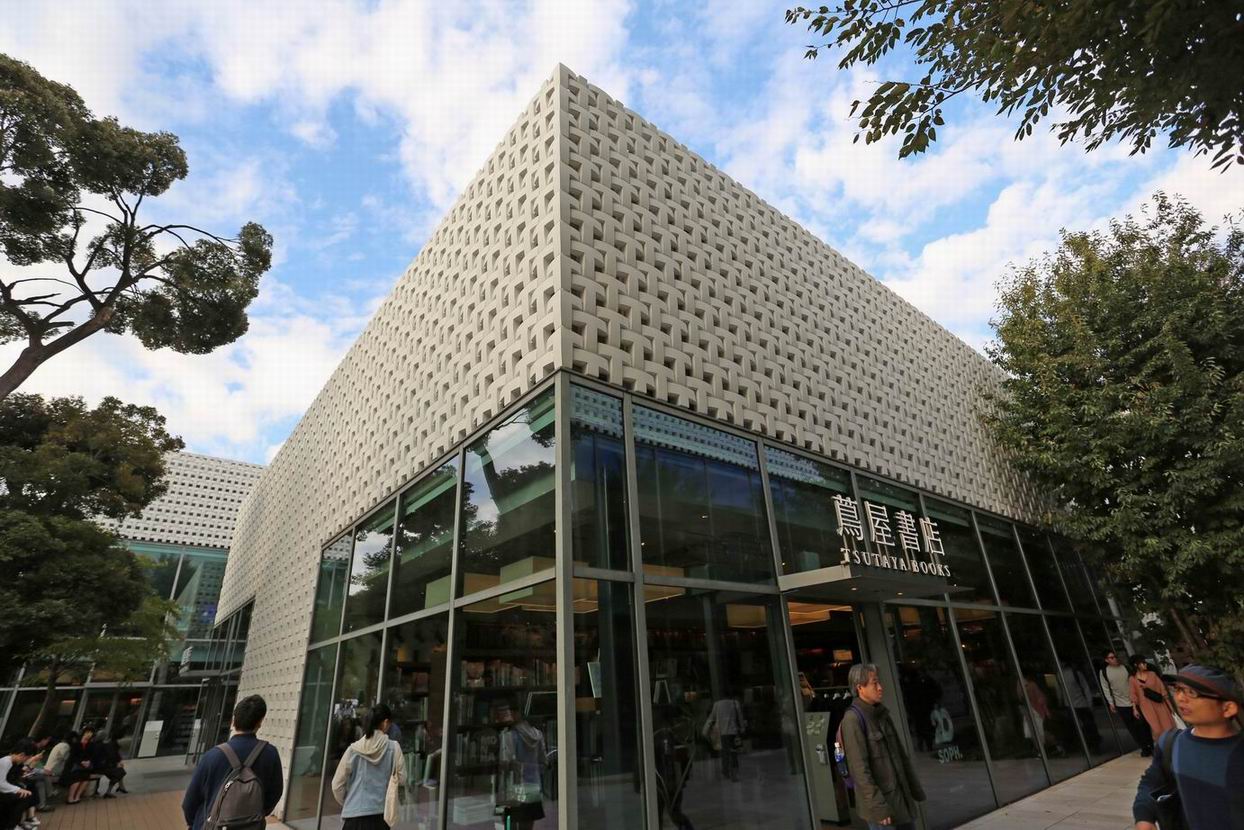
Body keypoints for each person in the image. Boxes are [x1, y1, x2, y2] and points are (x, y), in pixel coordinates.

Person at [1133, 664, 1244, 830]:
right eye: (1178, 689)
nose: (1180, 698)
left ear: (1227, 708)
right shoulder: (1171, 743)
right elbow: (1151, 782)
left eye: (1192, 692)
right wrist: (1144, 817)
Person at [839, 663, 926, 830]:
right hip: (883, 808)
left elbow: (901, 756)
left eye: (879, 682)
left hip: (901, 800)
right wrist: (878, 807)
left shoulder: (882, 714)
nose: (880, 688)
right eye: (874, 683)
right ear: (860, 688)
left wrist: (915, 789)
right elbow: (860, 770)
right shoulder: (852, 720)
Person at [182, 695, 284, 830]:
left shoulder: (212, 756)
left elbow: (190, 802)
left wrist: (195, 823)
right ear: (259, 722)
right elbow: (275, 792)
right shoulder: (270, 753)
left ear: (233, 721)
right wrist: (256, 813)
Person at [330, 703, 406, 830]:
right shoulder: (394, 748)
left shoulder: (353, 749)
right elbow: (402, 779)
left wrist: (350, 801)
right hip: (380, 817)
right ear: (385, 723)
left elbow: (336, 785)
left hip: (353, 819)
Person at [492, 697, 547, 830]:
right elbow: (543, 762)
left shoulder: (509, 735)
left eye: (508, 712)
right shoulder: (538, 734)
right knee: (528, 823)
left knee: (509, 822)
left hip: (512, 788)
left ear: (515, 714)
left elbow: (505, 763)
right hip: (533, 786)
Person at [1100, 650, 1154, 756]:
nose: (1115, 659)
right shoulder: (1104, 672)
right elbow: (1105, 687)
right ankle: (1144, 747)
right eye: (1111, 658)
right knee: (1132, 727)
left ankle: (1150, 744)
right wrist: (1111, 702)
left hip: (1135, 701)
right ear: (1106, 660)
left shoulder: (1125, 668)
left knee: (1143, 724)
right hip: (1121, 704)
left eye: (1115, 656)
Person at [703, 690, 747, 782]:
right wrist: (742, 728)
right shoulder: (735, 703)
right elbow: (740, 717)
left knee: (724, 753)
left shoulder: (717, 704)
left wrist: (705, 730)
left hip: (722, 733)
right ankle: (734, 773)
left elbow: (711, 718)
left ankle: (726, 771)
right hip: (733, 732)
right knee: (733, 752)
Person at [1130, 656, 1176, 742]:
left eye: (1145, 662)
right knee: (1156, 729)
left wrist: (1169, 705)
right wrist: (1134, 709)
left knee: (1167, 725)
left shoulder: (1152, 674)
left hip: (1159, 703)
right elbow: (1133, 694)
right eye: (1143, 663)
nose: (1145, 664)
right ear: (1136, 665)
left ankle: (1172, 743)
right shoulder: (1133, 679)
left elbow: (1162, 689)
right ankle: (1162, 745)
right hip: (1146, 706)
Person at [0, 738, 38, 830]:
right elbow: (1, 783)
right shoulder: (6, 762)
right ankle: (12, 826)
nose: (25, 761)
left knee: (29, 789)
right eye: (27, 758)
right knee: (25, 796)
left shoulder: (12, 761)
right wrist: (18, 789)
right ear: (22, 755)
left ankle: (15, 823)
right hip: (1, 791)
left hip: (4, 790)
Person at [62, 727, 97, 804]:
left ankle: (77, 796)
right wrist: (81, 762)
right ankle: (70, 798)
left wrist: (88, 761)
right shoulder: (76, 743)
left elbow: (93, 755)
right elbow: (73, 756)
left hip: (85, 766)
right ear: (83, 733)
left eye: (91, 733)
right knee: (77, 778)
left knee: (86, 778)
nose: (89, 734)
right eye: (87, 732)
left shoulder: (91, 744)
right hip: (74, 765)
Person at [95, 734, 126, 798]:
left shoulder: (98, 745)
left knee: (119, 771)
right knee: (120, 772)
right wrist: (116, 763)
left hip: (100, 766)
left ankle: (110, 791)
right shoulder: (105, 746)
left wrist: (117, 762)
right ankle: (108, 792)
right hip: (102, 767)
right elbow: (110, 756)